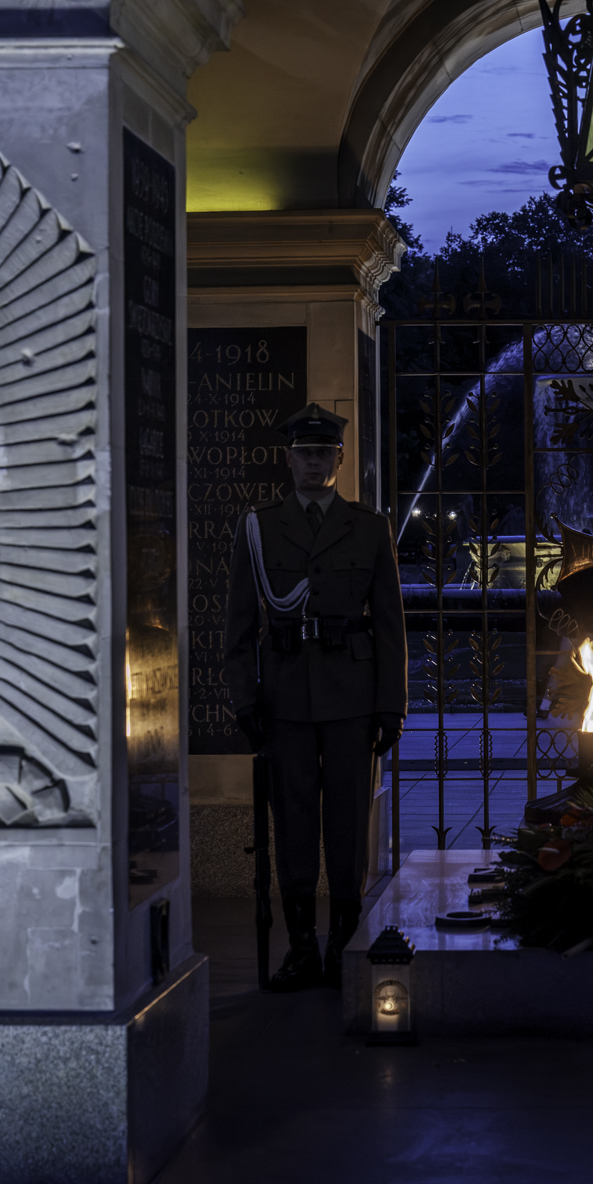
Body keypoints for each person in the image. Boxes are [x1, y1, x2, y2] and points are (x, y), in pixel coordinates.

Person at [223, 404, 407, 992]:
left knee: (349, 821)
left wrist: (391, 704)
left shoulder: (369, 526)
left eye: (323, 454)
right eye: (303, 453)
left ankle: (344, 942)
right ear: (288, 458)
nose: (312, 462)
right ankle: (302, 945)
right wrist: (243, 699)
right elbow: (237, 626)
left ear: (339, 460)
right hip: (284, 699)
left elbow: (389, 625)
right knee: (294, 823)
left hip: (351, 697)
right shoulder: (259, 527)